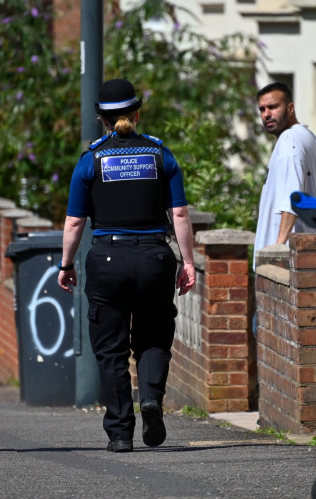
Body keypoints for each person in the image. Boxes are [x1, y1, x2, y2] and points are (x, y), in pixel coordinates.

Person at [57, 78, 196, 453]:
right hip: (154, 256)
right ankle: (150, 399)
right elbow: (179, 213)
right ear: (137, 113)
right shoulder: (160, 155)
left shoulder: (90, 160)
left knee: (111, 349)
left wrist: (66, 263)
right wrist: (188, 262)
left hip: (107, 259)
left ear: (102, 119)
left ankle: (120, 433)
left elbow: (74, 223)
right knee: (153, 337)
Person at [254, 82, 316, 263]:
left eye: (272, 107)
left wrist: (279, 246)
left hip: (288, 259)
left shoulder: (289, 140)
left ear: (290, 108)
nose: (266, 115)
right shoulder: (310, 138)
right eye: (262, 109)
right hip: (308, 254)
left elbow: (291, 197)